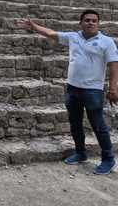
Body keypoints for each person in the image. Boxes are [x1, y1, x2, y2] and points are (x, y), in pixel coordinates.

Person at [17, 9, 118, 175]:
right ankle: (81, 153)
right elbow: (50, 33)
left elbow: (114, 65)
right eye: (87, 20)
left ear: (98, 24)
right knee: (75, 124)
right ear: (81, 23)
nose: (90, 23)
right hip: (73, 89)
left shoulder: (106, 42)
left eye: (94, 20)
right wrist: (33, 26)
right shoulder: (73, 37)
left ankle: (108, 159)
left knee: (98, 126)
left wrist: (113, 88)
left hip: (93, 90)